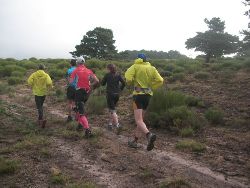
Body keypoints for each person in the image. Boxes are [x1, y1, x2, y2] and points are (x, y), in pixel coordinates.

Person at [125, 54, 163, 151]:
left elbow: (128, 79)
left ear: (138, 59)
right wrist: (151, 87)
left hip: (138, 95)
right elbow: (160, 80)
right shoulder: (152, 68)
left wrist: (131, 83)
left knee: (138, 120)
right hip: (148, 96)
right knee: (140, 120)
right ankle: (135, 141)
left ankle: (149, 135)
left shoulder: (135, 66)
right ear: (146, 60)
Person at [70, 57, 99, 137]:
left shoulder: (75, 70)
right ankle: (80, 125)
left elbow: (71, 82)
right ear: (84, 63)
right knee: (80, 108)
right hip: (87, 92)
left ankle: (87, 130)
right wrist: (90, 85)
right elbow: (97, 81)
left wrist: (75, 85)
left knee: (79, 111)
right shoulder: (89, 70)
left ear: (77, 63)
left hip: (79, 92)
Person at [101, 64, 125, 130]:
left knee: (112, 110)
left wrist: (102, 80)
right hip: (117, 94)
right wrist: (120, 89)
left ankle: (117, 124)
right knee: (111, 109)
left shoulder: (107, 75)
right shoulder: (118, 75)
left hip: (110, 94)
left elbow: (102, 84)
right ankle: (110, 123)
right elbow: (124, 83)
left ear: (109, 69)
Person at [27, 64, 53, 128]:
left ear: (38, 68)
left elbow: (29, 81)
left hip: (36, 93)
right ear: (44, 68)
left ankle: (41, 119)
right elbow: (49, 83)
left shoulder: (34, 74)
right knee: (40, 105)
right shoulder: (46, 75)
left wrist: (33, 85)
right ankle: (40, 119)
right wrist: (48, 86)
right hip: (44, 92)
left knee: (39, 107)